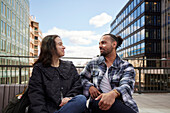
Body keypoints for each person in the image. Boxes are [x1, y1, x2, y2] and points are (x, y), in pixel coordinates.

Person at [81, 34, 139, 113]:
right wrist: (90, 86)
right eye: (99, 43)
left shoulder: (126, 66)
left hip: (119, 102)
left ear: (114, 44)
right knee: (100, 102)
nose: (100, 46)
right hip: (97, 102)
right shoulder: (93, 63)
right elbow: (82, 78)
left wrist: (113, 94)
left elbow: (127, 86)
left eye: (103, 43)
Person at [28, 35, 86, 113]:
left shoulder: (69, 66)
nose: (64, 47)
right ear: (51, 48)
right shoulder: (39, 69)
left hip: (69, 108)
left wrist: (69, 98)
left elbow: (77, 86)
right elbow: (36, 97)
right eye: (60, 44)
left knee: (81, 99)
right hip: (49, 111)